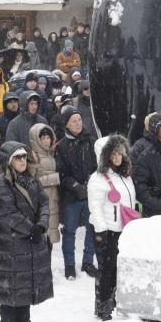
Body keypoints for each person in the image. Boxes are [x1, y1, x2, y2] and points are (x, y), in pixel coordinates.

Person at [0, 141, 53, 322]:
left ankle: (23, 321)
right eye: (17, 157)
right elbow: (9, 213)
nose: (22, 161)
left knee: (27, 279)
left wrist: (41, 225)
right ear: (9, 161)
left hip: (30, 238)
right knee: (11, 280)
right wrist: (31, 228)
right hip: (11, 240)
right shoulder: (2, 184)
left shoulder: (32, 179)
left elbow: (45, 202)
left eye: (24, 157)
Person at [88, 135, 137, 321]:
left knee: (117, 268)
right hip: (106, 230)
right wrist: (101, 231)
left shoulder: (124, 175)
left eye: (120, 153)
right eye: (113, 153)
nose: (118, 157)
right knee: (106, 269)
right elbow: (95, 207)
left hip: (123, 229)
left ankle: (114, 301)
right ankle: (103, 305)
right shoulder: (98, 179)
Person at [55, 108, 98, 280]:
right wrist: (74, 185)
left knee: (91, 229)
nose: (78, 123)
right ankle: (69, 265)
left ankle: (88, 261)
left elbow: (96, 166)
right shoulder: (62, 146)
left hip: (90, 193)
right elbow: (61, 172)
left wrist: (89, 182)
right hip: (70, 196)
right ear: (67, 124)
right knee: (70, 231)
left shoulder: (90, 141)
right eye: (74, 121)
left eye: (79, 119)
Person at [27, 123, 60, 249]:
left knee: (49, 237)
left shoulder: (51, 153)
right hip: (41, 201)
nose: (46, 141)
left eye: (48, 138)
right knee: (42, 235)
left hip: (53, 200)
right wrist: (55, 178)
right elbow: (33, 181)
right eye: (43, 138)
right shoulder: (33, 156)